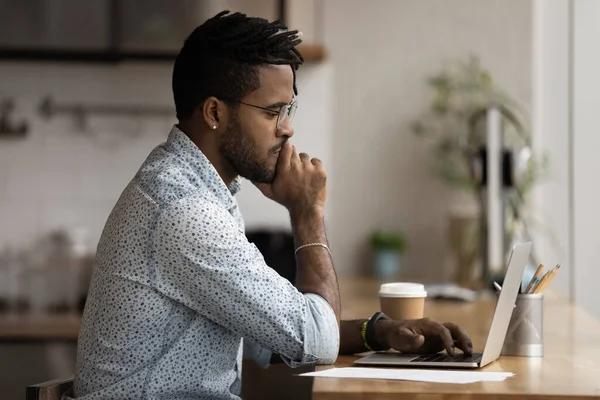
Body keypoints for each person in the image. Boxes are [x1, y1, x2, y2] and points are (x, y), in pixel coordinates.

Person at [68, 10, 472, 400]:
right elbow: (316, 342)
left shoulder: (196, 190)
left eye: (288, 109)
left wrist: (378, 332)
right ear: (214, 113)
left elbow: (276, 334)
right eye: (273, 111)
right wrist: (307, 211)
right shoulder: (187, 210)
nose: (288, 128)